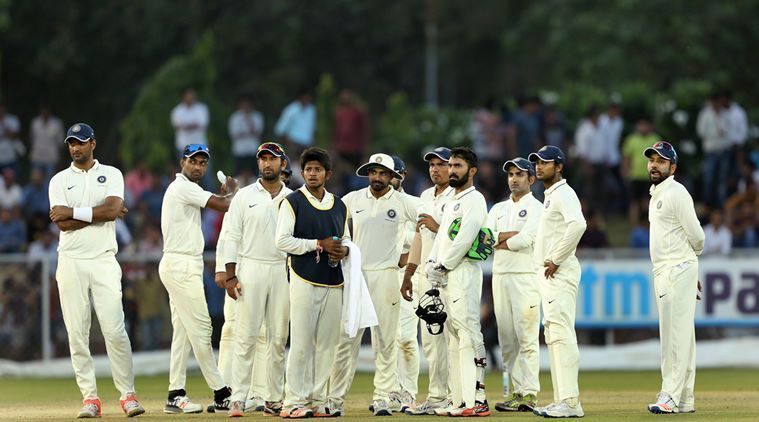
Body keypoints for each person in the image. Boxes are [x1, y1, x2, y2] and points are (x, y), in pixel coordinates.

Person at [47, 123, 145, 418]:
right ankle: (90, 399)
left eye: (81, 142)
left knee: (115, 330)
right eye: (71, 143)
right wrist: (100, 213)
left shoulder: (112, 174)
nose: (75, 147)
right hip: (71, 261)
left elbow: (113, 210)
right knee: (77, 334)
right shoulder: (59, 180)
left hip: (103, 259)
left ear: (93, 144)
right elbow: (61, 223)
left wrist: (76, 212)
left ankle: (127, 395)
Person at [327, 153, 419, 416]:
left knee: (386, 340)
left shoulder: (403, 202)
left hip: (388, 274)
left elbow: (429, 223)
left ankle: (382, 397)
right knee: (347, 339)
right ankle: (335, 400)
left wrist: (409, 261)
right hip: (357, 274)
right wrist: (342, 247)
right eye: (373, 172)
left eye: (382, 173)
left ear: (392, 177)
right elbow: (335, 224)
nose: (376, 178)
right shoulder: (352, 199)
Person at [159, 143, 238, 414]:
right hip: (181, 264)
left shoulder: (186, 189)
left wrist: (225, 193)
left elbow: (215, 199)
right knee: (202, 329)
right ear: (182, 163)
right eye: (193, 161)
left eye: (203, 163)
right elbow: (223, 206)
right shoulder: (182, 187)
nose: (198, 167)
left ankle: (175, 394)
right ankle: (221, 393)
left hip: (182, 263)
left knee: (182, 332)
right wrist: (236, 192)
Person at [275, 147, 349, 418]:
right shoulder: (292, 202)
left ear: (327, 174)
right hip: (303, 277)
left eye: (318, 169)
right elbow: (282, 240)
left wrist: (345, 250)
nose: (312, 174)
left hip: (333, 280)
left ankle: (318, 400)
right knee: (302, 342)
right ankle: (293, 400)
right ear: (302, 172)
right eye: (308, 169)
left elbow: (347, 239)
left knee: (328, 344)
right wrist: (317, 244)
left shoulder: (340, 205)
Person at [222, 142, 293, 417]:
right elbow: (231, 236)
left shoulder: (293, 198)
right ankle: (238, 397)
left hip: (280, 268)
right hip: (250, 267)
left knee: (277, 338)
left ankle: (274, 398)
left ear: (282, 164)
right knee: (246, 336)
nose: (267, 164)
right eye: (263, 159)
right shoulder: (243, 196)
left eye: (272, 160)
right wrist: (230, 275)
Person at [425, 146, 491, 416]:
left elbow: (466, 237)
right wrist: (432, 263)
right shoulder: (452, 199)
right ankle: (459, 401)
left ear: (471, 171)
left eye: (458, 166)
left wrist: (443, 264)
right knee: (452, 336)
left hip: (463, 271)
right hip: (446, 273)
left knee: (468, 331)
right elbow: (442, 237)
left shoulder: (475, 199)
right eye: (450, 166)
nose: (451, 171)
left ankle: (478, 399)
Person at [644, 141, 705, 414]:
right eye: (652, 160)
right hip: (671, 269)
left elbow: (698, 236)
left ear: (673, 167)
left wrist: (688, 264)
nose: (654, 165)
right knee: (682, 336)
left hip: (676, 269)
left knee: (674, 337)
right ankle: (684, 399)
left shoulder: (676, 192)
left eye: (661, 160)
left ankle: (669, 395)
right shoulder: (656, 193)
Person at [528, 145, 586, 418]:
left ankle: (571, 402)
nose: (539, 166)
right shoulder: (551, 195)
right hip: (550, 273)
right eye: (537, 162)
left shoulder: (564, 192)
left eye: (545, 162)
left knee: (561, 334)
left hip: (558, 271)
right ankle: (563, 398)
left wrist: (556, 258)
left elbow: (578, 225)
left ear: (559, 166)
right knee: (553, 335)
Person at [486, 158, 543, 413]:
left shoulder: (538, 208)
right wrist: (508, 237)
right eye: (510, 174)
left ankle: (529, 393)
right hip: (500, 276)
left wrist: (501, 238)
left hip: (525, 276)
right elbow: (485, 239)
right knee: (507, 339)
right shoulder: (497, 208)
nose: (514, 179)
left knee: (527, 337)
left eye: (520, 174)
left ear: (531, 179)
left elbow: (528, 240)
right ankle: (514, 393)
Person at [400, 147, 454, 416]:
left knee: (453, 338)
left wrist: (439, 226)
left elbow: (466, 234)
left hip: (450, 275)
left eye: (441, 164)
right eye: (432, 165)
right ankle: (436, 396)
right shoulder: (424, 196)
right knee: (431, 340)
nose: (435, 169)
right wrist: (409, 272)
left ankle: (458, 395)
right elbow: (419, 236)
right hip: (425, 275)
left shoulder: (460, 196)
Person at [390, 155, 421, 410]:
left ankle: (408, 392)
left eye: (394, 175)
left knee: (407, 338)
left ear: (402, 176)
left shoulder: (414, 204)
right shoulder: (368, 204)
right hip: (381, 275)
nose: (389, 180)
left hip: (408, 276)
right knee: (385, 339)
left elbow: (425, 238)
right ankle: (388, 390)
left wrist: (404, 252)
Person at [274, 87, 316, 162]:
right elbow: (280, 129)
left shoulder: (312, 110)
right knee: (293, 168)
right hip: (294, 144)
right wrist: (289, 143)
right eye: (307, 97)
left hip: (307, 145)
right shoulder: (291, 110)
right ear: (301, 96)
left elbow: (311, 128)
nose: (308, 99)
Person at [333, 89, 370, 167]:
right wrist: (334, 146)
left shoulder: (358, 112)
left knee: (355, 171)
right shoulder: (339, 113)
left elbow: (364, 129)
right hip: (341, 149)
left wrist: (365, 147)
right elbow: (336, 131)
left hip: (355, 149)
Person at [228, 95, 264, 176]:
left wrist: (249, 121)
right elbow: (234, 135)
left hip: (253, 149)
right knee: (238, 173)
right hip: (239, 150)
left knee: (256, 173)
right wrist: (248, 133)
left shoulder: (257, 117)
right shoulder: (235, 118)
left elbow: (258, 133)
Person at [29, 105, 65, 181]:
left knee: (50, 180)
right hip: (37, 156)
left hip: (51, 157)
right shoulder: (35, 123)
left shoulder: (57, 123)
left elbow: (60, 142)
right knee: (36, 179)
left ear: (49, 112)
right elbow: (32, 138)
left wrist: (59, 158)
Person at [171, 88, 210, 154]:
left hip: (200, 145)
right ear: (183, 97)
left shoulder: (202, 109)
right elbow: (177, 126)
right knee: (186, 164)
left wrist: (185, 126)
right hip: (183, 145)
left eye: (192, 97)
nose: (190, 99)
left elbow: (203, 124)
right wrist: (192, 125)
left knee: (202, 164)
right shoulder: (177, 111)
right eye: (188, 97)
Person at [0, 104, 24, 175]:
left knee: (12, 178)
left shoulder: (12, 119)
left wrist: (3, 123)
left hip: (10, 157)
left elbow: (15, 135)